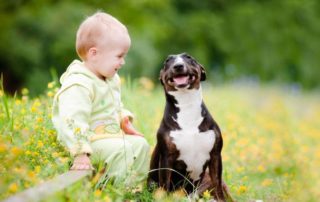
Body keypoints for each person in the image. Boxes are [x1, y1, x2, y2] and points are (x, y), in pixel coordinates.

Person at [52, 11, 150, 185]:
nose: (123, 62)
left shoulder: (110, 79)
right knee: (123, 149)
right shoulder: (79, 83)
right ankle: (115, 191)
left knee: (140, 144)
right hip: (88, 143)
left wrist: (123, 119)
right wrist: (81, 153)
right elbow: (72, 120)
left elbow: (114, 106)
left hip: (108, 138)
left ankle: (135, 188)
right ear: (94, 54)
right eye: (119, 56)